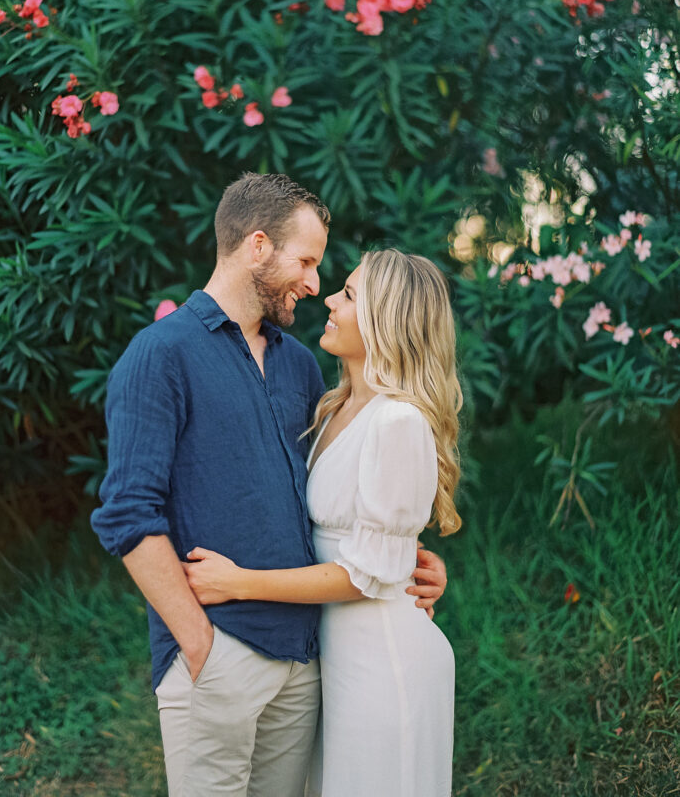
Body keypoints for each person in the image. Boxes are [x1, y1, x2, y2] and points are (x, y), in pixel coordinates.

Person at [91, 174, 447, 797]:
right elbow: (127, 515)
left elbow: (340, 501)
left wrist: (413, 561)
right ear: (258, 247)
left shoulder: (300, 365)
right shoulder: (161, 354)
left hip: (308, 660)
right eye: (306, 262)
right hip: (218, 656)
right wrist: (198, 644)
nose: (314, 284)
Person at [185, 249, 462, 797]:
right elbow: (362, 542)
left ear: (388, 320)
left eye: (351, 294)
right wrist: (407, 557)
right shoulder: (335, 408)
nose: (330, 299)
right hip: (331, 657)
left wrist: (238, 583)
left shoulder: (399, 420)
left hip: (381, 664)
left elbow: (364, 574)